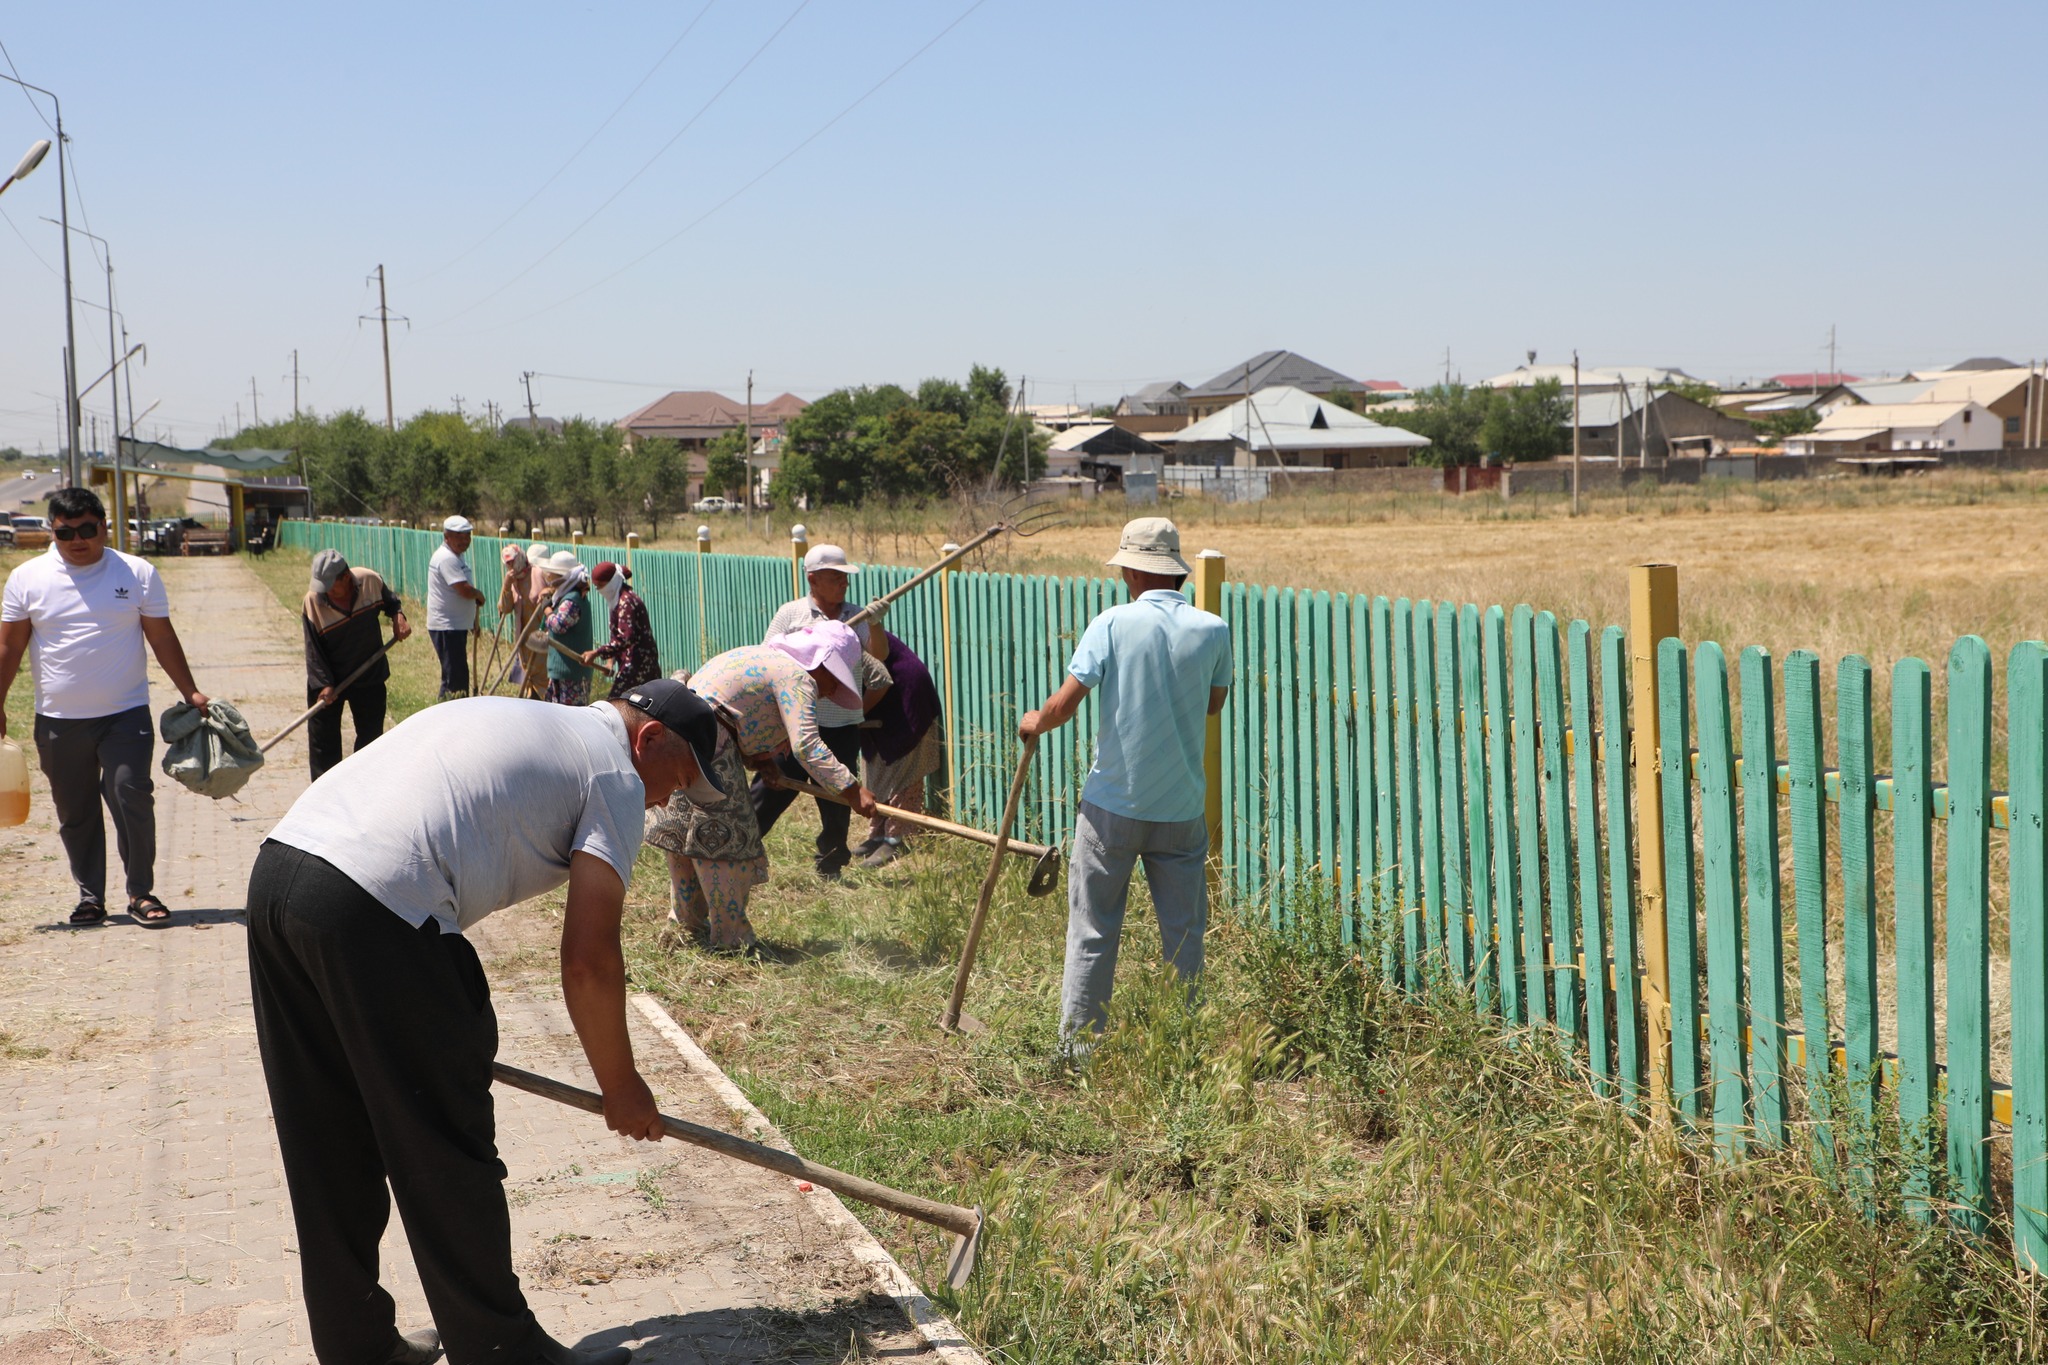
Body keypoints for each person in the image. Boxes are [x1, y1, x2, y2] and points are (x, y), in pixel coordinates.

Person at [248, 681, 726, 1365]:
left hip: (281, 874)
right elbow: (589, 960)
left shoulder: (530, 718)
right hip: (374, 902)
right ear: (648, 739)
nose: (662, 803)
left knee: (327, 1133)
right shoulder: (614, 772)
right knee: (443, 1146)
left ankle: (356, 1346)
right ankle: (506, 1352)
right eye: (673, 782)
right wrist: (621, 1085)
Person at [1018, 518, 1231, 1049]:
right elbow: (1213, 704)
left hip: (1113, 805)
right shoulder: (1213, 629)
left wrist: (1033, 722)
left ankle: (1078, 1049)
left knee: (1093, 929)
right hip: (1182, 809)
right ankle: (1181, 1044)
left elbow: (1064, 705)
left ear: (1134, 570)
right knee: (1184, 936)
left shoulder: (1112, 623)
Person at [0, 487, 210, 927]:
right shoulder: (26, 579)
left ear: (104, 526)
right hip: (58, 721)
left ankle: (140, 892)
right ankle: (90, 897)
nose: (78, 540)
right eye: (65, 532)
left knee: (131, 795)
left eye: (87, 529)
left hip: (125, 714)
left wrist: (190, 691)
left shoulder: (136, 573)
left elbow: (162, 637)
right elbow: (9, 647)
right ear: (52, 532)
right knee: (75, 813)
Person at [646, 621, 877, 951]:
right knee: (722, 845)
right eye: (833, 680)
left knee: (685, 839)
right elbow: (807, 746)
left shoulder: (765, 657)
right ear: (821, 663)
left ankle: (686, 925)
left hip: (682, 737)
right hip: (709, 744)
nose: (830, 691)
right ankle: (732, 938)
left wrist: (762, 762)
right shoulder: (797, 677)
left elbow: (733, 708)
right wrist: (853, 790)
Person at [752, 544, 891, 879]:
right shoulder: (791, 615)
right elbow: (768, 657)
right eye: (835, 577)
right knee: (769, 789)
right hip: (795, 723)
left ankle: (831, 865)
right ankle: (741, 847)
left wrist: (874, 624)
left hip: (840, 725)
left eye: (845, 577)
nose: (843, 583)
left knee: (837, 801)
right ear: (812, 579)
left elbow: (881, 657)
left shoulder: (853, 618)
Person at [301, 549, 412, 779]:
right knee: (324, 744)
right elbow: (313, 650)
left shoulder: (369, 580)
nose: (325, 593)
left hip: (368, 671)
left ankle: (365, 788)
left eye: (330, 586)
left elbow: (391, 602)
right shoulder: (313, 601)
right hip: (330, 679)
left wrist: (398, 617)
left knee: (371, 742)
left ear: (345, 577)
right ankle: (324, 798)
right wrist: (324, 684)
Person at [854, 631, 943, 869]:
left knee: (905, 770)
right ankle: (878, 835)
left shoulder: (840, 639)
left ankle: (896, 839)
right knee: (874, 767)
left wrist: (855, 714)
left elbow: (880, 681)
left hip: (903, 696)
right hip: (874, 698)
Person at [425, 515, 486, 699]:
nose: (465, 541)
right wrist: (478, 594)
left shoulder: (456, 557)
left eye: (467, 536)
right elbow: (463, 590)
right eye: (459, 537)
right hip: (447, 626)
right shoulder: (446, 558)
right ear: (447, 537)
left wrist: (472, 620)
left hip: (455, 625)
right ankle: (450, 715)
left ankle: (451, 713)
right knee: (455, 679)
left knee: (455, 674)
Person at [583, 562, 659, 694]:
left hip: (640, 664)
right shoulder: (617, 601)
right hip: (633, 664)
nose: (600, 591)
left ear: (611, 582)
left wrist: (597, 653)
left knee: (617, 703)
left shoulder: (626, 602)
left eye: (601, 586)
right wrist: (610, 662)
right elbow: (616, 635)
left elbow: (625, 639)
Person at [538, 551, 594, 706]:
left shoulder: (572, 601)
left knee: (569, 720)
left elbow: (558, 625)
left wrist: (547, 610)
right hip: (561, 672)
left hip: (571, 674)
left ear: (563, 577)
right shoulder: (564, 597)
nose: (548, 576)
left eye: (552, 574)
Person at [497, 544, 546, 699]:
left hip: (543, 642)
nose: (510, 566)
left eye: (512, 562)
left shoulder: (538, 573)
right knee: (530, 687)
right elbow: (504, 608)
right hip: (524, 645)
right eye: (507, 563)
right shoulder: (513, 582)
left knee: (545, 687)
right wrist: (506, 585)